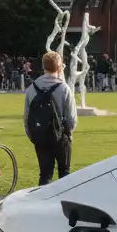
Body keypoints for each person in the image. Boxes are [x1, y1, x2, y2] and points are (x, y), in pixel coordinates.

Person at [24, 51, 77, 186]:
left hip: (40, 135)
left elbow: (27, 117)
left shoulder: (32, 88)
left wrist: (32, 135)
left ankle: (42, 204)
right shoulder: (64, 88)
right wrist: (69, 133)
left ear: (43, 67)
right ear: (59, 67)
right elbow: (71, 118)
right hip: (61, 136)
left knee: (45, 174)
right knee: (64, 173)